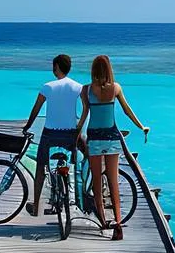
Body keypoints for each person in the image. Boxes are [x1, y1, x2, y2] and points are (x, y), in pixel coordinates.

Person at [77, 54, 149, 241]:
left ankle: (102, 221)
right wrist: (141, 126)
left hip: (94, 137)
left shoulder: (85, 90)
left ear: (93, 70)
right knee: (113, 181)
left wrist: (75, 132)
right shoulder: (116, 88)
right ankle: (117, 223)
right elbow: (127, 110)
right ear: (109, 70)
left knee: (97, 183)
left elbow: (85, 114)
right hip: (111, 137)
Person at [21, 54, 84, 219]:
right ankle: (84, 195)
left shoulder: (47, 87)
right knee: (84, 156)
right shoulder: (78, 87)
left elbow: (36, 109)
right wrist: (79, 126)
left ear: (56, 68)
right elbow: (87, 107)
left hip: (50, 133)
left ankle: (36, 207)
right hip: (70, 133)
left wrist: (27, 126)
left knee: (41, 167)